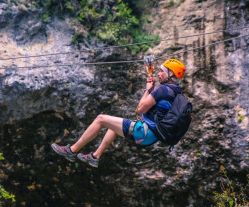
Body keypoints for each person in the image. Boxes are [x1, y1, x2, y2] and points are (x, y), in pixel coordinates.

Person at [51, 58, 186, 168]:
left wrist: (147, 89)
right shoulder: (176, 92)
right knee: (113, 126)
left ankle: (72, 150)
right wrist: (151, 87)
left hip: (145, 132)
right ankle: (95, 157)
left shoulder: (163, 89)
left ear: (171, 74)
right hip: (152, 136)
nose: (158, 73)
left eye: (162, 71)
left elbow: (140, 109)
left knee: (100, 119)